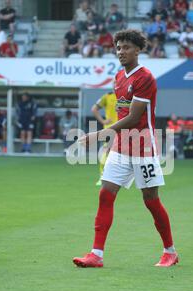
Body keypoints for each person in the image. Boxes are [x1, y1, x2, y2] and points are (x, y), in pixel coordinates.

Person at [73, 29, 178, 268]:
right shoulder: (119, 77)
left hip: (144, 148)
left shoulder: (145, 78)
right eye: (118, 47)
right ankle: (96, 255)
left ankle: (170, 251)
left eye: (126, 47)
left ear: (138, 49)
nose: (121, 52)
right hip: (121, 148)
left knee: (151, 201)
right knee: (105, 195)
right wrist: (111, 140)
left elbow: (133, 118)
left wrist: (99, 135)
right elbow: (122, 116)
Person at [91, 83, 118, 186]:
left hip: (124, 129)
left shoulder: (126, 96)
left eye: (117, 83)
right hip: (110, 129)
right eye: (114, 83)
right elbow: (94, 108)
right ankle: (102, 177)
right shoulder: (107, 96)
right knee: (107, 152)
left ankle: (116, 177)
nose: (115, 85)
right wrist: (103, 121)